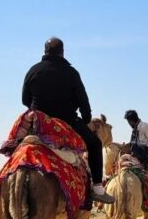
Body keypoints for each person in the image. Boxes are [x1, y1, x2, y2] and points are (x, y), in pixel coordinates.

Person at [22, 37, 114, 204]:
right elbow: (83, 103)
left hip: (39, 122)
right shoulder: (71, 73)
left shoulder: (33, 70)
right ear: (62, 52)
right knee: (94, 144)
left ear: (45, 51)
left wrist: (40, 111)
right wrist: (86, 119)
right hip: (67, 121)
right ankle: (98, 188)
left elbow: (24, 100)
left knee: (17, 145)